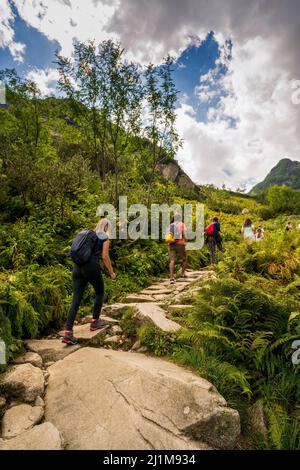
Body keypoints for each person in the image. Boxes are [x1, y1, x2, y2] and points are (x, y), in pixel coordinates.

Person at [62, 218, 116, 345]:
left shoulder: (86, 234)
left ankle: (68, 333)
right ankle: (95, 322)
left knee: (76, 299)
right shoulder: (105, 237)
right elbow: (105, 256)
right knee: (99, 292)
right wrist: (111, 272)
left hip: (77, 268)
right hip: (91, 267)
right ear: (107, 227)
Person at [167, 214, 188, 284]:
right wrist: (185, 241)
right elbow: (184, 234)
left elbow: (167, 235)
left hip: (171, 244)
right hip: (180, 244)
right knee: (184, 259)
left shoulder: (170, 225)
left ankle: (171, 278)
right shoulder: (182, 224)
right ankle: (182, 274)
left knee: (172, 260)